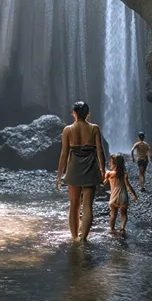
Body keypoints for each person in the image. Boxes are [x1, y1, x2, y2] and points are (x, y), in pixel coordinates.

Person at [57, 101, 106, 242]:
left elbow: (63, 154)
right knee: (88, 205)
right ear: (87, 114)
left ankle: (74, 237)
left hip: (73, 169)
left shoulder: (67, 130)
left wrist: (59, 175)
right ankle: (83, 237)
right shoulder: (94, 129)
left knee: (73, 204)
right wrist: (103, 169)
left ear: (74, 113)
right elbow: (100, 151)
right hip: (90, 168)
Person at [103, 154, 137, 234]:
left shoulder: (109, 173)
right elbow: (128, 186)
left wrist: (105, 179)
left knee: (113, 215)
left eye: (110, 162)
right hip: (123, 197)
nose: (109, 163)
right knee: (123, 214)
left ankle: (112, 229)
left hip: (113, 197)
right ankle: (122, 228)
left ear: (114, 164)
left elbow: (104, 183)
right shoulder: (124, 174)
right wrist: (134, 195)